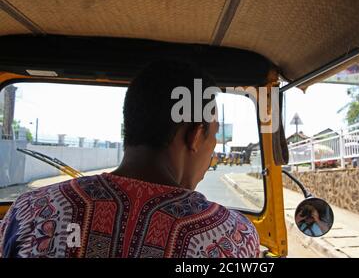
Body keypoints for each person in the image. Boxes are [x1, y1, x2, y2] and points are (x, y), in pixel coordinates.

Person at [0, 61, 260, 258]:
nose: (212, 153)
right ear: (195, 135)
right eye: (212, 137)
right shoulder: (234, 238)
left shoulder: (29, 211)